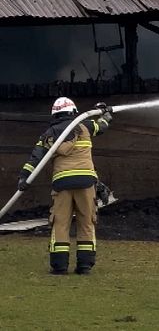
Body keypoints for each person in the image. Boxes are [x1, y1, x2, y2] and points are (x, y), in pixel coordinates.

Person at [16, 97, 113, 275]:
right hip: (86, 183)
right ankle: (84, 266)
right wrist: (106, 114)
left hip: (62, 184)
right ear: (73, 111)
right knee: (86, 223)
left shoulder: (48, 134)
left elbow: (35, 159)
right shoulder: (85, 125)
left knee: (60, 223)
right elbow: (102, 126)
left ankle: (59, 266)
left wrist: (24, 178)